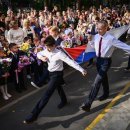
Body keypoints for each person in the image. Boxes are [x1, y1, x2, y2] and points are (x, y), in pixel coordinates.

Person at [23, 35, 87, 124]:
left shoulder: (59, 53)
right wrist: (42, 58)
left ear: (54, 45)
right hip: (50, 73)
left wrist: (81, 69)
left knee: (46, 95)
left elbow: (70, 62)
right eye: (46, 47)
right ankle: (64, 101)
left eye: (49, 47)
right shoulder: (46, 50)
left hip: (57, 75)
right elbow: (39, 54)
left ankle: (34, 115)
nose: (47, 49)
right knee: (58, 88)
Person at [81, 20, 130, 112]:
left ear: (106, 28)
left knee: (96, 82)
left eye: (100, 29)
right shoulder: (96, 36)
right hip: (98, 60)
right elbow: (93, 46)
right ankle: (106, 93)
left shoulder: (111, 38)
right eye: (97, 28)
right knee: (103, 78)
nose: (98, 30)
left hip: (106, 62)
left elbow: (124, 46)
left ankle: (88, 104)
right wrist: (90, 41)